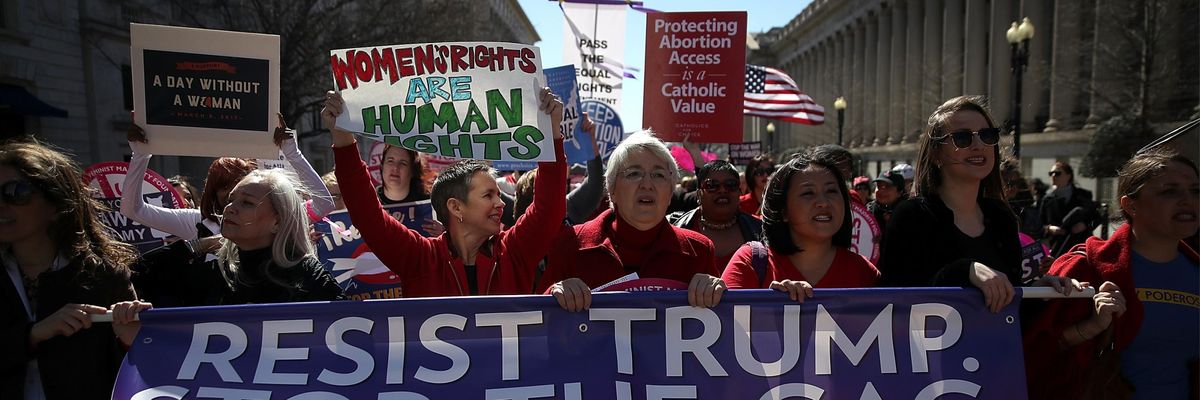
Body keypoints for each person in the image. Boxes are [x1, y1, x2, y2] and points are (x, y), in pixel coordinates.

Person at [322, 88, 567, 297]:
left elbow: (548, 210)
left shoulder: (514, 251)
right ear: (455, 207)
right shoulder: (420, 258)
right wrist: (342, 136)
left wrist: (551, 131)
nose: (501, 204)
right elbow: (368, 216)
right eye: (488, 195)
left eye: (498, 195)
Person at [877, 96, 1079, 313]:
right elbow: (897, 301)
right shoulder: (910, 216)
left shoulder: (1002, 217)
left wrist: (1038, 292)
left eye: (987, 135)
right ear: (936, 154)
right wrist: (967, 271)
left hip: (993, 346)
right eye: (962, 138)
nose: (978, 145)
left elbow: (1007, 311)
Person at [1023, 150, 1197, 400]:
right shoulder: (1083, 268)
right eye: (1169, 191)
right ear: (1130, 204)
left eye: (1196, 190)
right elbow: (1032, 354)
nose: (1187, 200)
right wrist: (1091, 327)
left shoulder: (1194, 271)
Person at [113, 169, 346, 341]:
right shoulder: (218, 273)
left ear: (278, 221)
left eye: (246, 203)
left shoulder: (308, 275)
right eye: (230, 199)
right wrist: (197, 246)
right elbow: (135, 274)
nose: (230, 208)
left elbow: (349, 329)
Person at [0, 140, 139, 399]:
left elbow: (133, 373)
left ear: (55, 205)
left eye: (15, 192)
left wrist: (132, 339)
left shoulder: (104, 277)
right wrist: (32, 335)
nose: (1, 205)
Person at [539, 131, 726, 312]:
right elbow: (536, 328)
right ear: (612, 189)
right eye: (634, 174)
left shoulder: (699, 252)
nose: (647, 184)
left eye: (659, 175)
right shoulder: (569, 245)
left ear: (670, 193)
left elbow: (725, 330)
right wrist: (553, 296)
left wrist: (715, 294)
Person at [122, 114, 335, 252]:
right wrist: (140, 154)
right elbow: (133, 210)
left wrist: (292, 152)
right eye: (226, 187)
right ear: (212, 192)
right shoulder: (197, 222)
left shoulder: (276, 217)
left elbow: (324, 202)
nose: (235, 193)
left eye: (243, 185)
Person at [722, 155, 879, 299]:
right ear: (783, 211)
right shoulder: (750, 262)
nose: (823, 202)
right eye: (808, 193)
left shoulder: (864, 272)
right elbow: (724, 322)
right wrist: (771, 306)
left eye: (831, 191)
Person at [669, 160, 763, 268]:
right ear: (699, 194)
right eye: (712, 185)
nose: (722, 190)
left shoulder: (761, 231)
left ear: (740, 192)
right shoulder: (674, 228)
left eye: (730, 185)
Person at [1041, 161, 1099, 256]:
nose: (1053, 176)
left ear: (1069, 176)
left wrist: (1085, 225)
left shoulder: (1083, 195)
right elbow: (1039, 224)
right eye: (1051, 173)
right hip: (1058, 248)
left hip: (1080, 247)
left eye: (1057, 173)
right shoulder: (1047, 199)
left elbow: (1096, 217)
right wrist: (1049, 228)